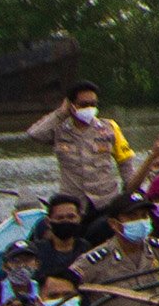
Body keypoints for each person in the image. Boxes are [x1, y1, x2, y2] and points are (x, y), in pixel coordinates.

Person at [27, 82, 138, 221]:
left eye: (93, 104)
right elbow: (35, 134)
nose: (90, 108)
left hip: (105, 202)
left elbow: (126, 164)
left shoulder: (109, 128)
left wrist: (128, 197)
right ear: (71, 105)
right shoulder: (59, 130)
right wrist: (61, 113)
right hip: (73, 206)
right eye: (84, 104)